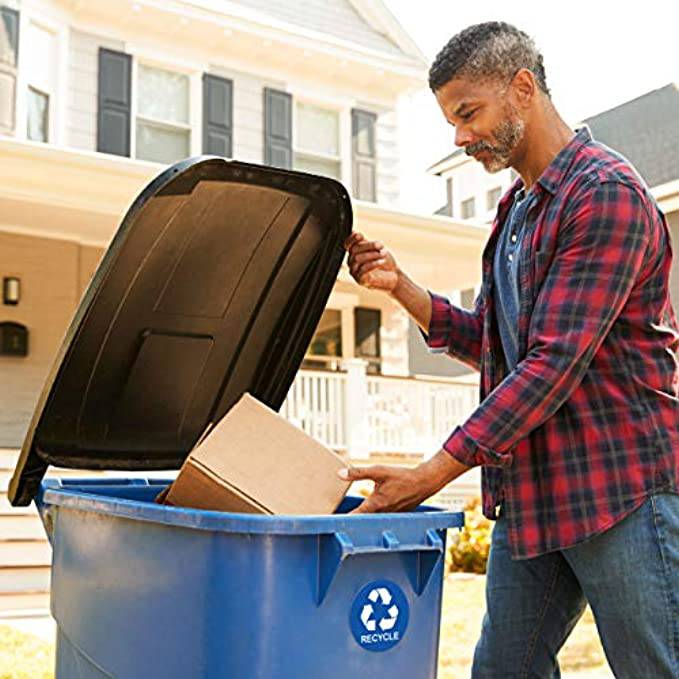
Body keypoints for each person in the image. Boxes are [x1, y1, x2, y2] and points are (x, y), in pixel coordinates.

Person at [340, 22, 678, 678]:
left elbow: (552, 364)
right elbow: (498, 349)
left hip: (620, 488)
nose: (459, 136)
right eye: (450, 121)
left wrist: (429, 474)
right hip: (536, 491)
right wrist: (401, 287)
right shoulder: (516, 210)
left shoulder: (601, 191)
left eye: (468, 113)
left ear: (522, 88)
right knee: (502, 669)